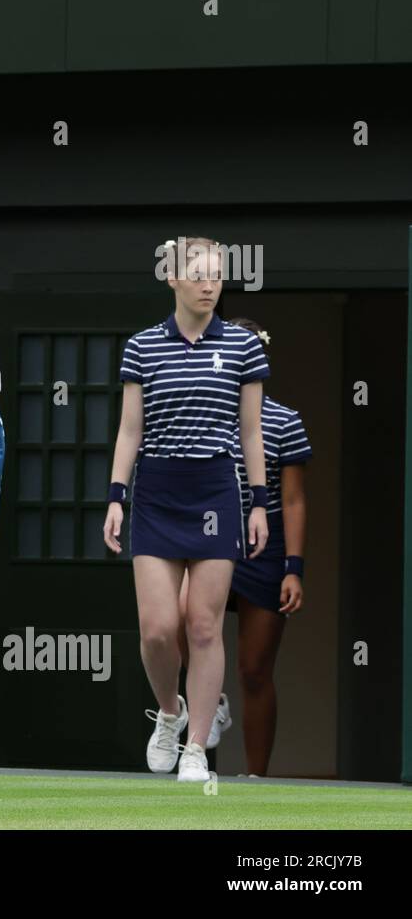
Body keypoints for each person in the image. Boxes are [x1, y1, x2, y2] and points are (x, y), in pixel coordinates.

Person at [103, 236, 271, 783]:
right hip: (156, 491)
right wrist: (115, 496)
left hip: (216, 491)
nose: (208, 283)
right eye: (197, 273)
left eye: (217, 274)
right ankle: (170, 714)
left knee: (203, 626)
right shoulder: (142, 347)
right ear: (172, 278)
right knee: (157, 629)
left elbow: (250, 432)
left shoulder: (244, 348)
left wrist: (258, 503)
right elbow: (131, 430)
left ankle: (197, 748)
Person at [176, 318, 310, 776]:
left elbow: (292, 499)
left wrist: (294, 567)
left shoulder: (283, 420)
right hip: (205, 542)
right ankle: (212, 701)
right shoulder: (198, 414)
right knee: (174, 621)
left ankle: (256, 775)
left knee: (254, 669)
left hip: (262, 552)